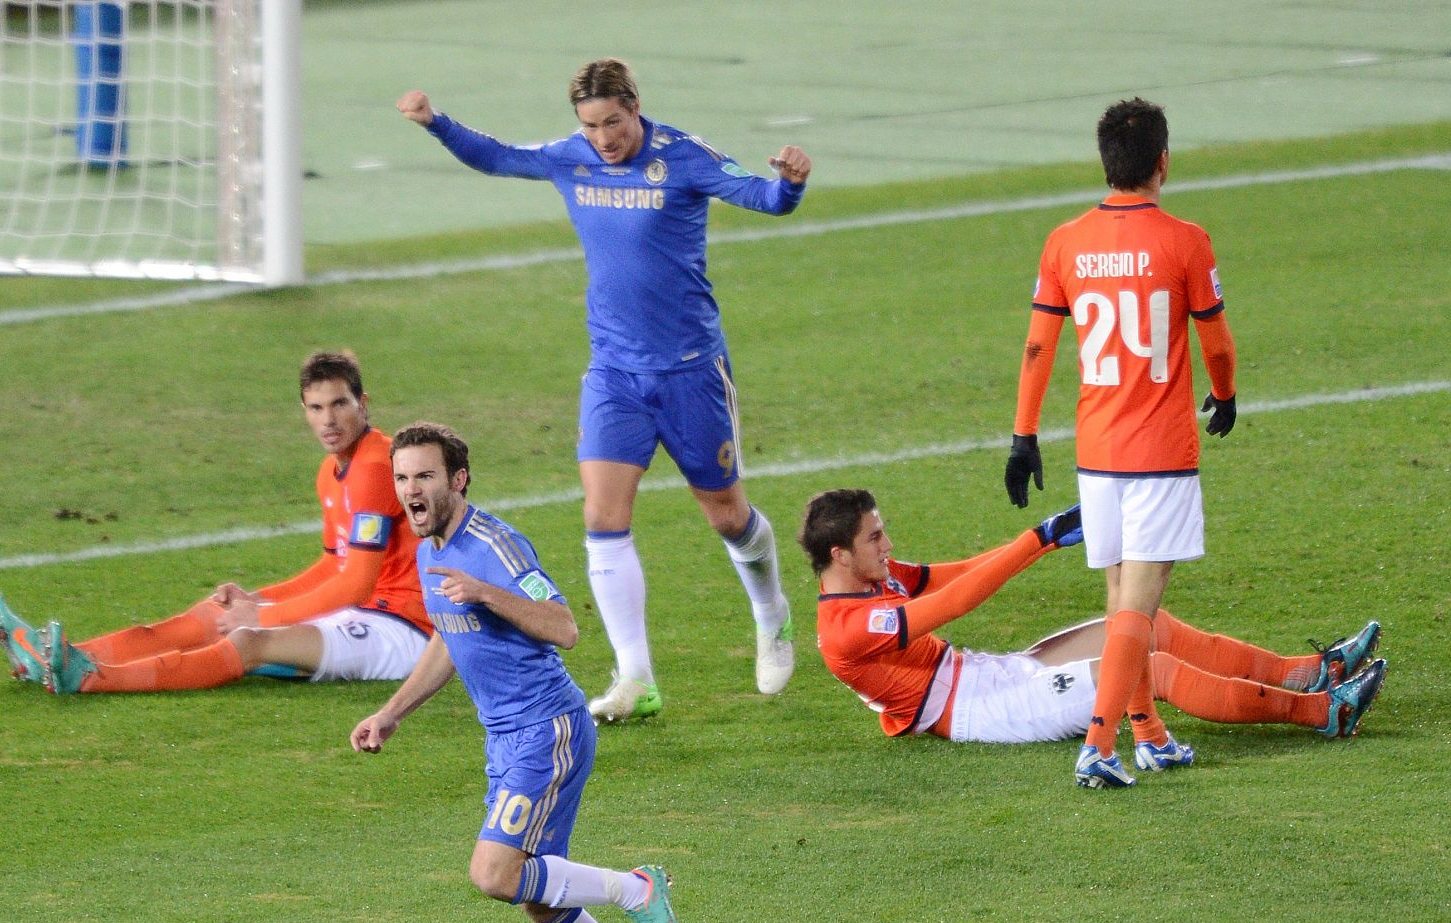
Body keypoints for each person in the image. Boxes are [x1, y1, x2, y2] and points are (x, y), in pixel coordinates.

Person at [396, 58, 812, 722]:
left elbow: (761, 195)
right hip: (615, 374)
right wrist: (436, 124)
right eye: (590, 125)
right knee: (602, 518)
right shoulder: (572, 159)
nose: (603, 138)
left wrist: (789, 184)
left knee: (727, 517)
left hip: (690, 371)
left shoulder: (682, 156)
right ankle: (635, 678)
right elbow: (500, 157)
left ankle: (772, 612)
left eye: (613, 123)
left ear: (635, 106)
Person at [350, 422, 684, 923]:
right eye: (401, 478)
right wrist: (393, 712)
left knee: (495, 873)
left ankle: (638, 889)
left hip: (546, 729)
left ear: (458, 480)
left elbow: (564, 627)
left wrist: (486, 592)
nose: (410, 490)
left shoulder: (496, 548)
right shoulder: (427, 551)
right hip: (504, 740)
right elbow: (450, 636)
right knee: (538, 894)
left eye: (424, 476)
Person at [801, 488, 1386, 788]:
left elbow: (950, 574)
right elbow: (957, 601)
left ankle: (1310, 672)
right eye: (876, 538)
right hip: (980, 709)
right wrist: (1039, 540)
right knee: (1144, 669)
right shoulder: (846, 630)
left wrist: (1043, 537)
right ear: (840, 555)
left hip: (987, 673)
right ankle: (1319, 714)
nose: (888, 545)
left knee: (1146, 627)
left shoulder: (874, 574)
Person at [1004, 96, 1242, 785]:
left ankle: (1149, 732)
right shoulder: (1186, 239)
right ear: (1163, 163)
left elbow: (1037, 347)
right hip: (1161, 450)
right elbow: (1217, 344)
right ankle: (1099, 746)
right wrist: (1223, 395)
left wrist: (1024, 436)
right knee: (1139, 605)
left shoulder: (1065, 242)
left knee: (1120, 597)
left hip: (1097, 450)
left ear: (1105, 164)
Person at [0, 351, 432, 694]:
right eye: (315, 408)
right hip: (363, 612)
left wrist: (260, 614)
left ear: (363, 403)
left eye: (340, 404)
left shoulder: (376, 465)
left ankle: (92, 677)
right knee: (215, 614)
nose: (328, 420)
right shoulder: (331, 472)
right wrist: (256, 599)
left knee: (249, 640)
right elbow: (331, 566)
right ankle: (58, 656)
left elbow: (354, 584)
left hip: (404, 631)